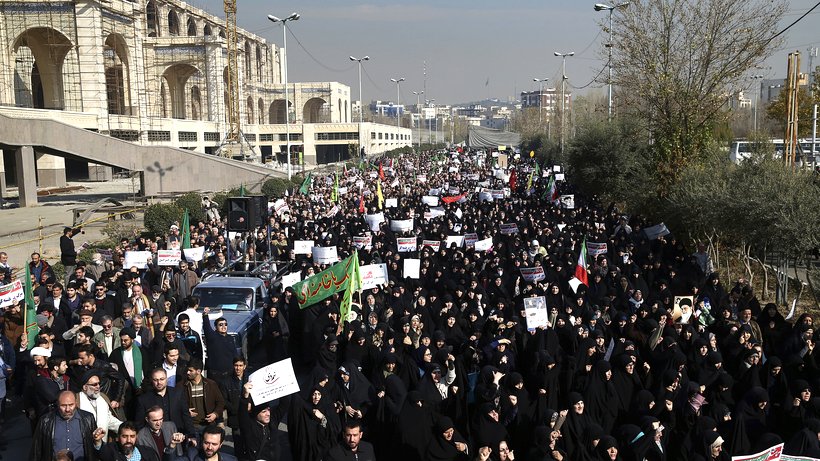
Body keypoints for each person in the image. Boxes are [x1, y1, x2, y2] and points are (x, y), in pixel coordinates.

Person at [30, 390, 105, 461]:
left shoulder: (88, 418)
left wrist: (97, 442)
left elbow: (96, 450)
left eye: (71, 405)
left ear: (76, 403)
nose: (67, 409)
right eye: (63, 405)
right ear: (58, 404)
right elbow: (36, 451)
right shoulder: (46, 421)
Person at [135, 368, 196, 441]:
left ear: (166, 379)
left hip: (178, 436)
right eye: (155, 380)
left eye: (162, 379)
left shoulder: (178, 394)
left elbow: (186, 416)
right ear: (152, 381)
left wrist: (192, 435)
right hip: (155, 439)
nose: (159, 382)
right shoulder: (143, 399)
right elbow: (139, 423)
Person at [76, 369, 123, 443]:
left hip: (102, 444)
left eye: (98, 384)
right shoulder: (77, 400)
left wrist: (123, 427)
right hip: (84, 444)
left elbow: (109, 419)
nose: (98, 387)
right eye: (94, 384)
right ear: (85, 387)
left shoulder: (103, 398)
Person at [183, 357, 225, 431]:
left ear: (198, 371)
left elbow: (220, 402)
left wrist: (215, 414)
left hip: (208, 426)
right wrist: (185, 411)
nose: (188, 372)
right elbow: (176, 404)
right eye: (187, 370)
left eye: (190, 370)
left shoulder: (211, 384)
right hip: (191, 426)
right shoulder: (182, 386)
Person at [167, 424, 237, 461]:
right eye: (206, 443)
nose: (209, 447)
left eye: (214, 444)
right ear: (201, 441)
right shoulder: (192, 456)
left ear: (220, 444)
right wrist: (172, 445)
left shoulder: (231, 459)